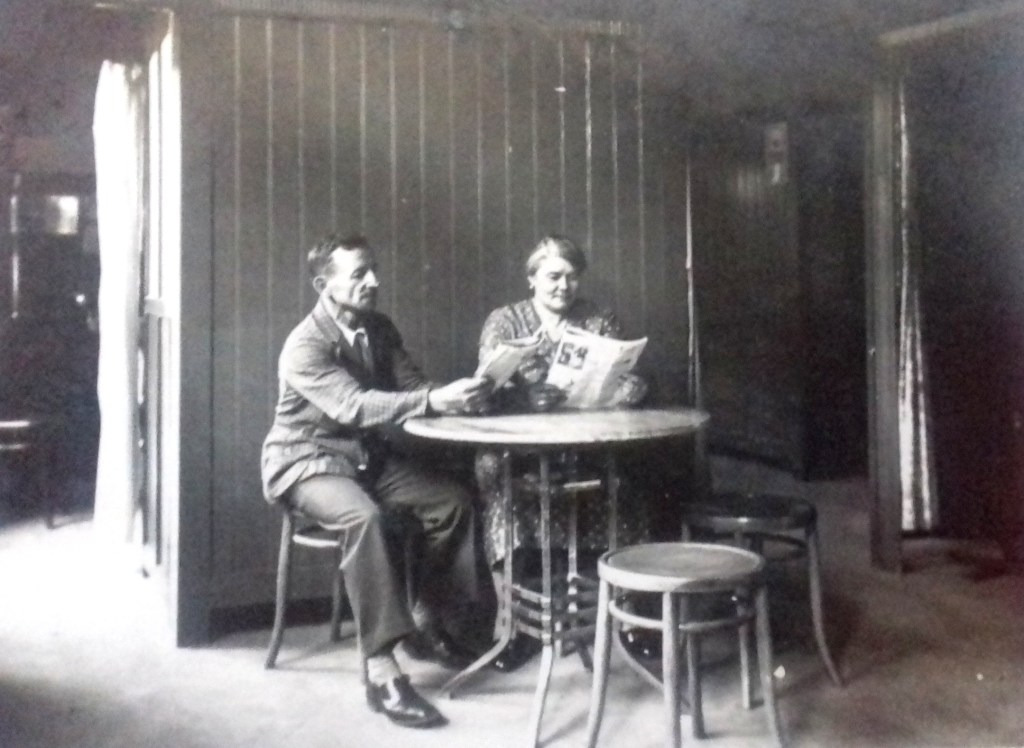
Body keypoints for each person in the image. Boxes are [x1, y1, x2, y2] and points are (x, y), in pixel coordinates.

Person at [261, 233, 496, 729]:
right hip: (305, 459)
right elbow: (354, 406)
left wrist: (465, 393)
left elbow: (413, 388)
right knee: (365, 519)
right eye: (359, 274)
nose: (373, 281)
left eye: (373, 270)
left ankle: (428, 623)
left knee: (451, 502)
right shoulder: (304, 345)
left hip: (364, 460)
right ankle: (382, 670)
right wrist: (433, 400)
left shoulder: (379, 327)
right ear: (323, 285)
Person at [475, 234, 647, 671]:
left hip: (586, 447)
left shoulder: (599, 320)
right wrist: (523, 397)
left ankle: (627, 619)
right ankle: (513, 627)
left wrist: (630, 388)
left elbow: (624, 377)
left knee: (625, 483)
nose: (563, 286)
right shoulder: (505, 322)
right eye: (553, 276)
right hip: (523, 451)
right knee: (499, 478)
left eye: (572, 277)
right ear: (531, 279)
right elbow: (483, 392)